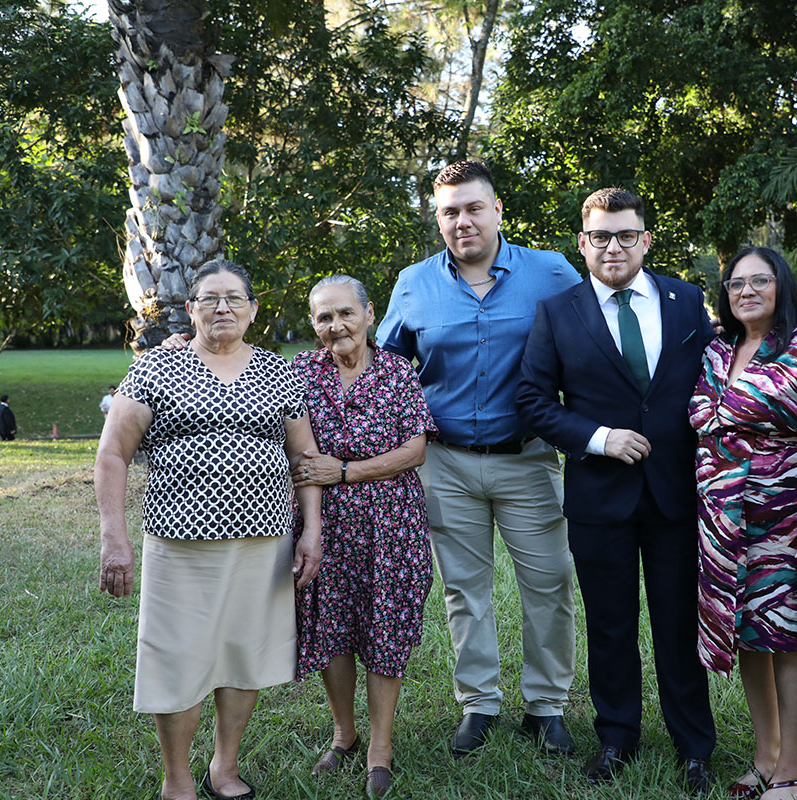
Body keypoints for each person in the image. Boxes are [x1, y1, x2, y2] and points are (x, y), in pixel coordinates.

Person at [95, 259, 323, 800]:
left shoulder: (277, 371)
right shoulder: (155, 369)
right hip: (180, 542)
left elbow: (305, 456)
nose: (223, 307)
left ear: (253, 310)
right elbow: (112, 453)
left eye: (234, 298)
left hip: (263, 542)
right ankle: (177, 779)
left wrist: (311, 529)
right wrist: (113, 535)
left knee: (243, 654)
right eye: (210, 298)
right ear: (191, 309)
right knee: (177, 657)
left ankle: (225, 767)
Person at [375, 160, 580, 757]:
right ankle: (479, 703)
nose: (461, 221)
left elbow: (593, 337)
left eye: (471, 208)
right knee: (465, 589)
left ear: (495, 210)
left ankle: (546, 705)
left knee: (549, 581)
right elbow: (385, 368)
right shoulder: (414, 283)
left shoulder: (551, 272)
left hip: (529, 458)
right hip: (447, 463)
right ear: (438, 220)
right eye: (449, 212)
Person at [516, 187, 717, 794]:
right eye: (600, 236)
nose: (613, 247)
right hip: (599, 496)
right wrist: (600, 438)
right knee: (609, 624)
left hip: (676, 493)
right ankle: (616, 737)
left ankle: (694, 744)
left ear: (646, 240)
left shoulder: (687, 303)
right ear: (582, 243)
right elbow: (531, 401)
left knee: (678, 622)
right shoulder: (558, 311)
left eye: (626, 235)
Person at [689, 247, 797, 800]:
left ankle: (796, 770)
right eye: (736, 283)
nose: (747, 291)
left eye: (760, 280)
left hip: (789, 514)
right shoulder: (715, 351)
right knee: (750, 636)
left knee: (790, 634)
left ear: (781, 286)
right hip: (722, 519)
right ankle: (766, 756)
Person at [289, 275, 437, 799]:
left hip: (391, 526)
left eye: (345, 313)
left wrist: (346, 471)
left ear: (369, 314)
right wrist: (175, 344)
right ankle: (343, 733)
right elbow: (235, 357)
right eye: (325, 317)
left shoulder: (397, 372)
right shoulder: (299, 373)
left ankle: (380, 746)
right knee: (331, 629)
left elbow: (416, 450)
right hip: (323, 526)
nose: (336, 326)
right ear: (314, 325)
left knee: (385, 629)